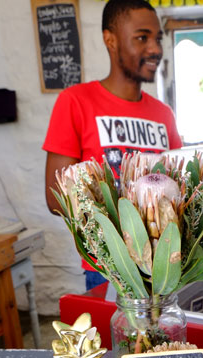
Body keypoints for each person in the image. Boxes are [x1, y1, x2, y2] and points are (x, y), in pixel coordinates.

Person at [43, 0, 182, 290]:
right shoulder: (76, 102)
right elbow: (56, 200)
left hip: (165, 269)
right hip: (108, 268)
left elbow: (179, 186)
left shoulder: (163, 114)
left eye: (157, 39)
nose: (155, 49)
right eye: (142, 38)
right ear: (111, 40)